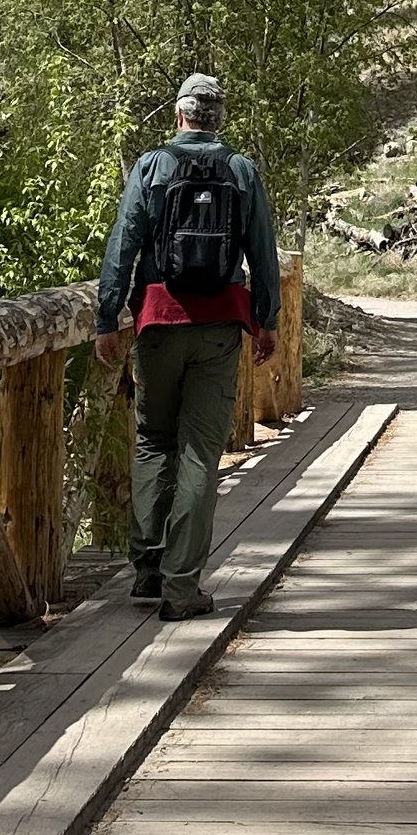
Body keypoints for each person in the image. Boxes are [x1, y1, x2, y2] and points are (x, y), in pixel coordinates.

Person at [94, 72, 281, 619]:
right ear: (217, 118)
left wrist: (108, 317)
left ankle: (148, 570)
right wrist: (265, 320)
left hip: (157, 322)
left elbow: (123, 242)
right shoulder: (241, 171)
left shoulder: (151, 167)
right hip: (219, 326)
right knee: (201, 451)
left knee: (154, 439)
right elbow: (263, 252)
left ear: (178, 116)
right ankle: (182, 586)